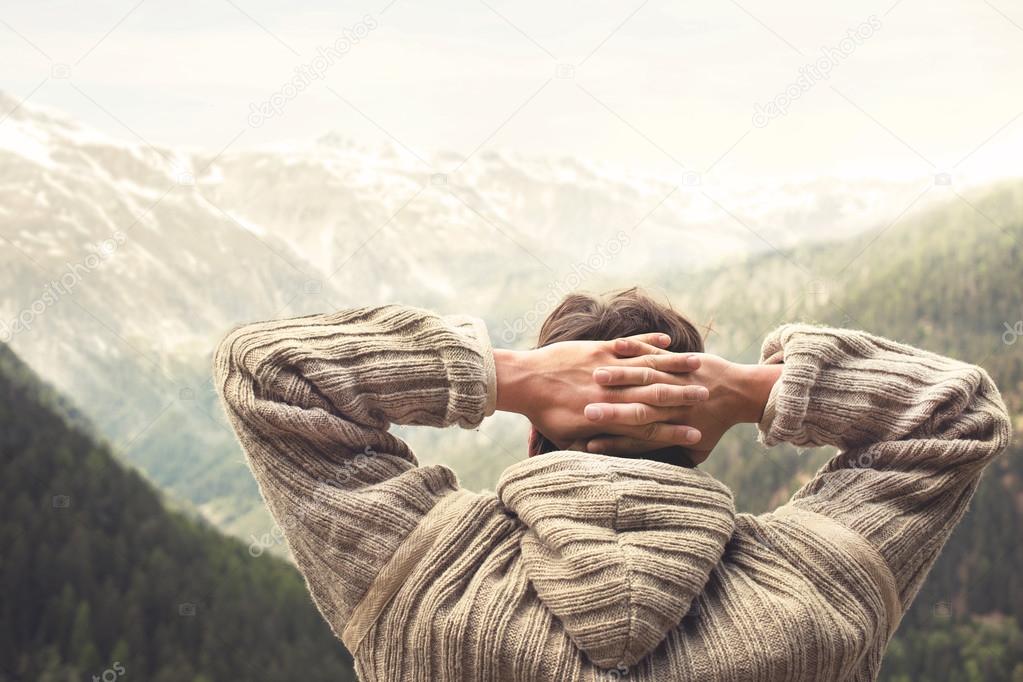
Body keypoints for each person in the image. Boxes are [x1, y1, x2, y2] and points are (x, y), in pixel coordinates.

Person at [213, 287, 1011, 681]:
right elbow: (956, 413)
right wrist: (749, 388)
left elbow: (270, 371)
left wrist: (511, 376)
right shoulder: (813, 593)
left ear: (534, 436)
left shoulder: (423, 577)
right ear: (695, 441)